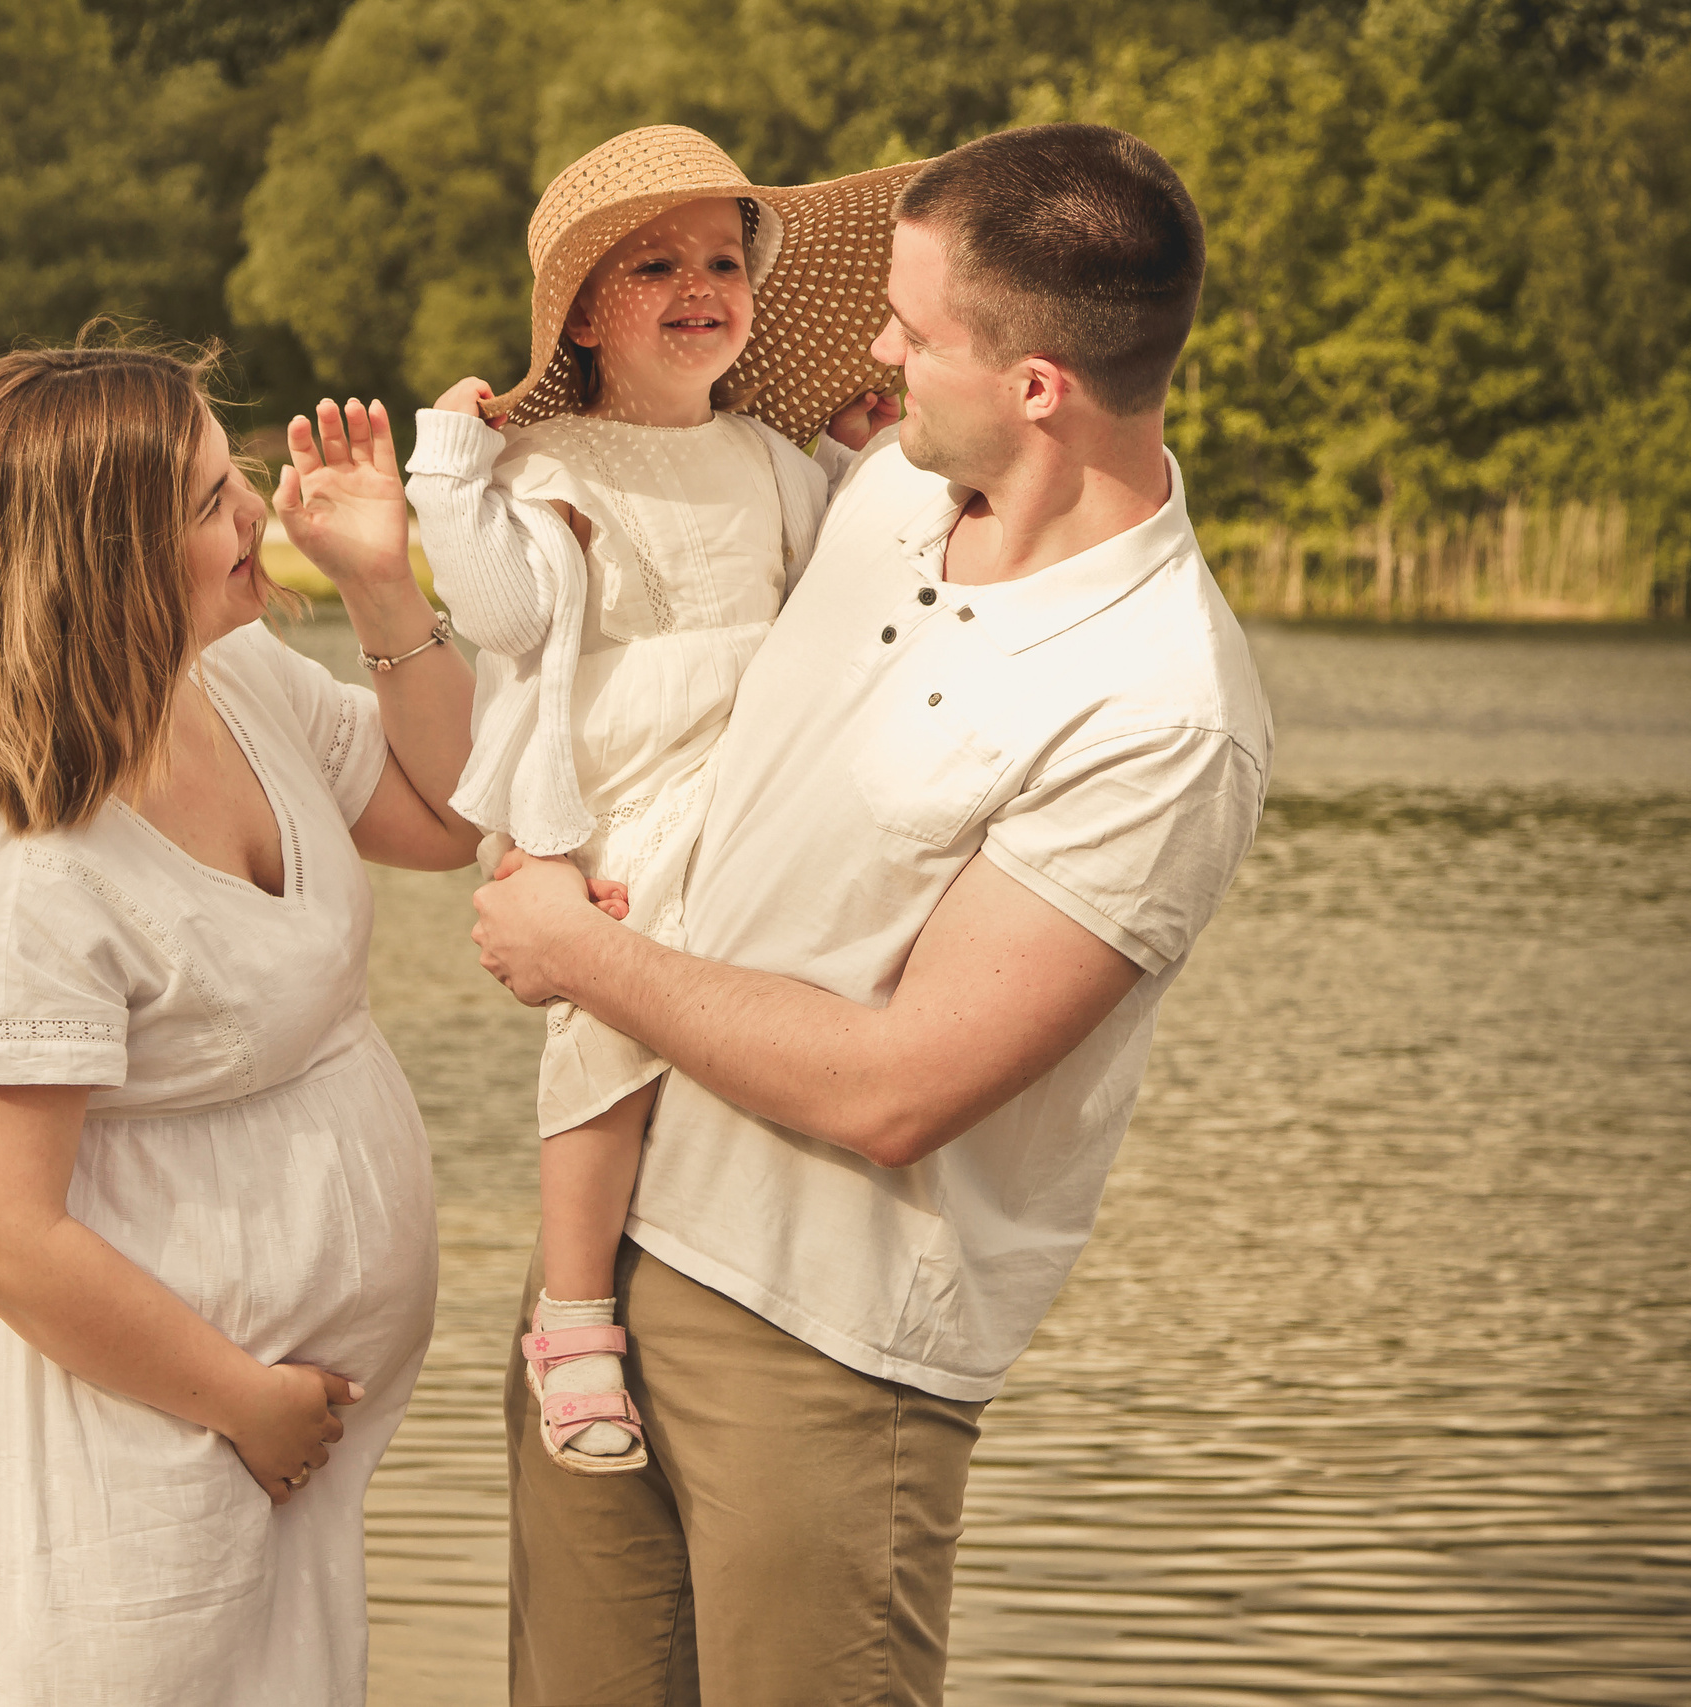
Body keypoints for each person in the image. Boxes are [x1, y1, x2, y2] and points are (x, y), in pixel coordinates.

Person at [469, 124, 1276, 1705]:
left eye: (911, 327)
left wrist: (584, 957)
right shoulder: (883, 495)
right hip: (604, 1267)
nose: (877, 347)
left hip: (824, 1348)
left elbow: (900, 1088)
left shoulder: (1159, 711)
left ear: (1037, 384)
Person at [0, 336, 477, 1706]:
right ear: (103, 557)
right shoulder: (28, 859)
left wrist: (385, 582)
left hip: (264, 1445)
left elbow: (451, 817)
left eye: (232, 471)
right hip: (113, 1441)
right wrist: (242, 1399)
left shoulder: (233, 679)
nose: (258, 507)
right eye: (210, 501)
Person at [403, 125, 919, 1474]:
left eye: (721, 261)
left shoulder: (761, 454)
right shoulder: (553, 464)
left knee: (797, 966)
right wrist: (447, 472)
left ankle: (767, 1247)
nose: (702, 286)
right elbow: (503, 614)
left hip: (749, 769)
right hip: (617, 786)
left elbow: (833, 603)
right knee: (611, 1032)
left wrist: (861, 468)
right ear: (581, 309)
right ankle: (573, 1316)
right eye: (655, 267)